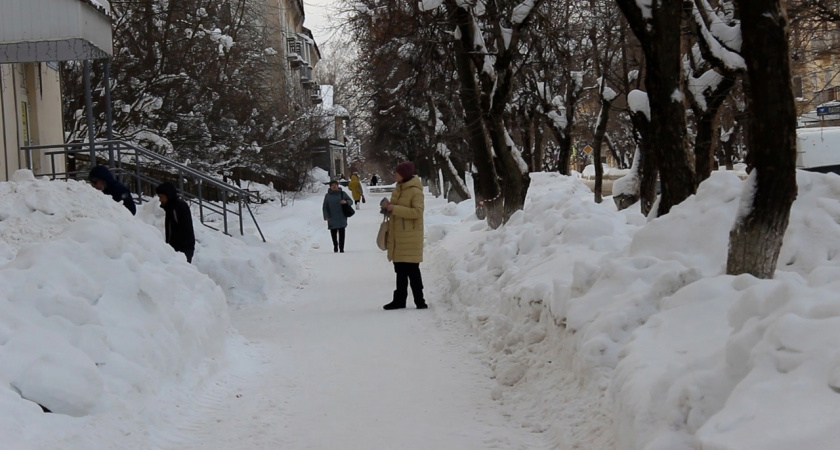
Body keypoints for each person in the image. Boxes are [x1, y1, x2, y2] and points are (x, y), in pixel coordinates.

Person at [380, 161, 427, 310]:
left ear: (405, 174)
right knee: (399, 270)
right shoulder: (398, 189)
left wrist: (395, 208)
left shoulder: (415, 191)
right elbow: (395, 210)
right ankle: (399, 300)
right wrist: (387, 209)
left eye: (397, 172)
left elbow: (417, 212)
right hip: (397, 235)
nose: (394, 174)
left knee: (412, 270)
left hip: (410, 236)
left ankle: (420, 301)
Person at [155, 182, 196, 263]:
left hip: (183, 249)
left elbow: (183, 229)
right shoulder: (171, 207)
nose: (160, 200)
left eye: (161, 197)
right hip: (177, 248)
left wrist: (175, 248)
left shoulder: (177, 207)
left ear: (168, 195)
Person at [322, 180, 353, 253]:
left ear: (337, 186)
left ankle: (341, 248)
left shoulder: (343, 194)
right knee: (333, 233)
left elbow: (350, 201)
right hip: (332, 217)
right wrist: (326, 216)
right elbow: (325, 207)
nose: (334, 186)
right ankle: (335, 246)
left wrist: (346, 202)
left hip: (341, 216)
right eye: (332, 185)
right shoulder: (327, 196)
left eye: (335, 185)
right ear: (330, 187)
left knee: (342, 233)